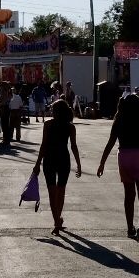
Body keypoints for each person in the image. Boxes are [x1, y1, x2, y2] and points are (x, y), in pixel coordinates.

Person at [96, 89, 139, 242]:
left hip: (124, 157)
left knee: (129, 195)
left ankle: (130, 227)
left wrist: (102, 163)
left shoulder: (119, 120)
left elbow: (110, 143)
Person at [31, 98, 82, 234]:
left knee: (52, 192)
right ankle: (57, 219)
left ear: (56, 111)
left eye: (52, 109)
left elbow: (44, 145)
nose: (51, 111)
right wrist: (78, 164)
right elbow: (74, 146)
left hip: (50, 159)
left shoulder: (48, 125)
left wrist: (37, 164)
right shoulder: (70, 126)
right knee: (61, 191)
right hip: (64, 159)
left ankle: (56, 221)